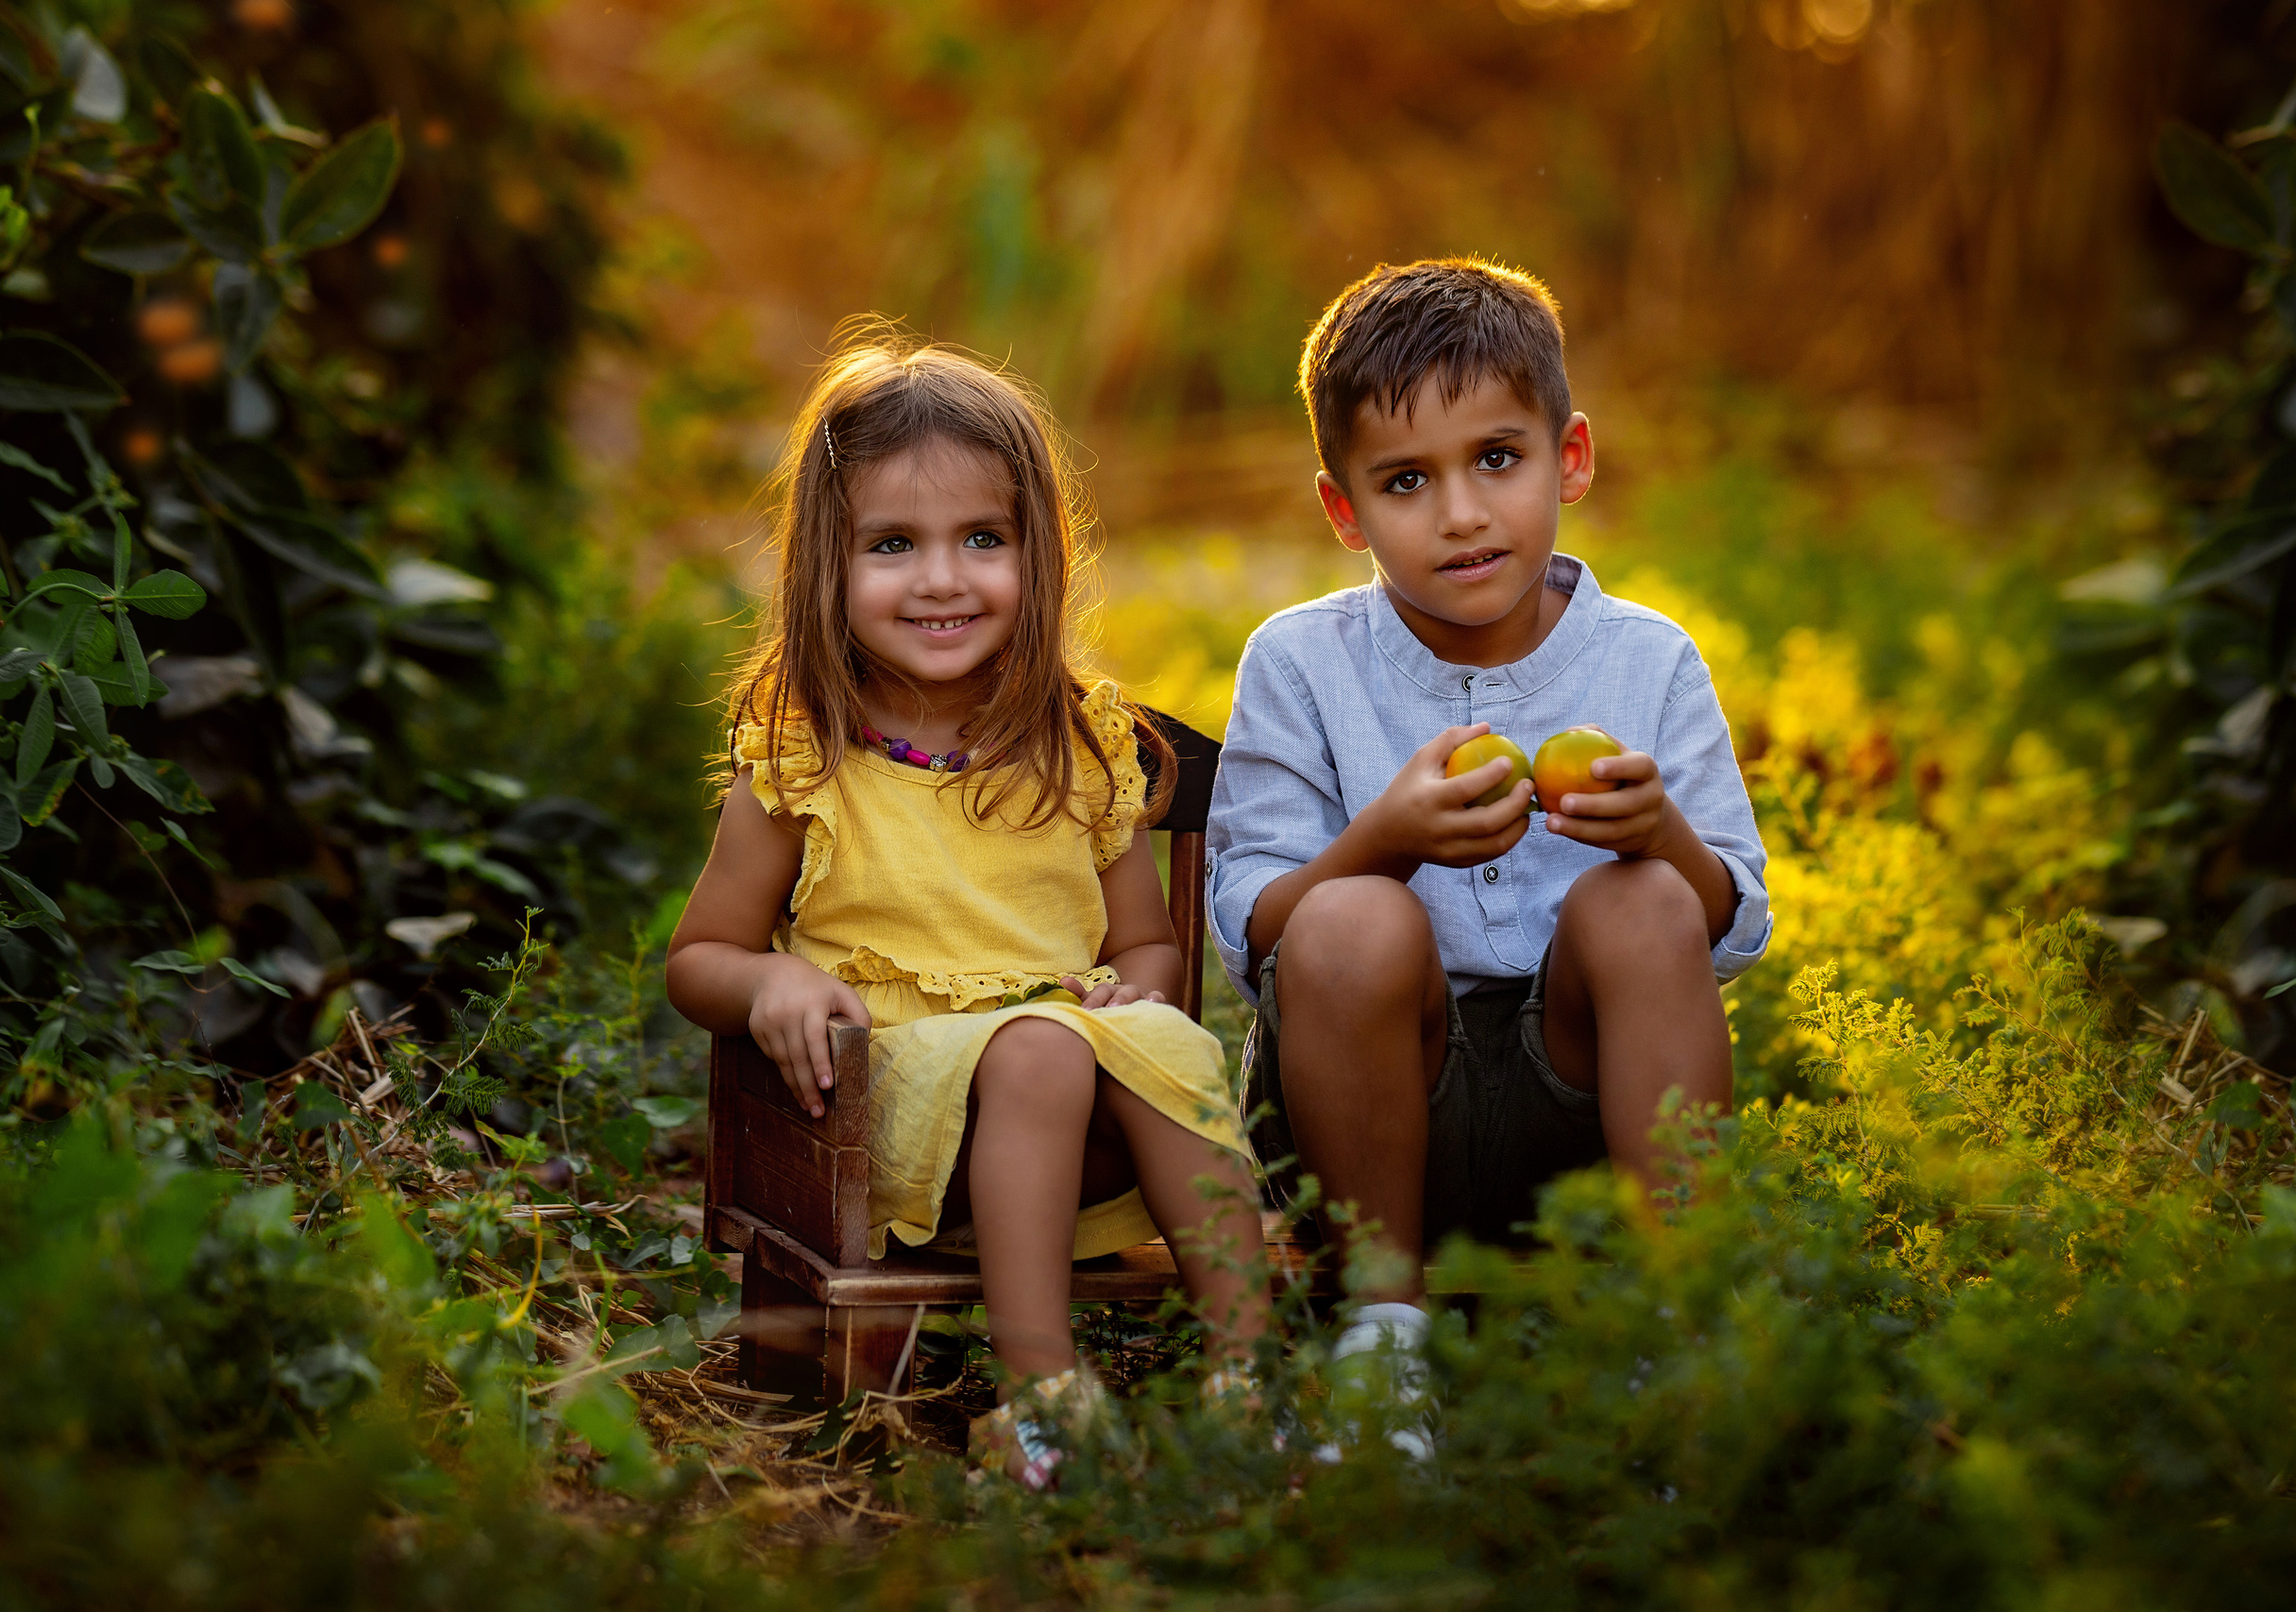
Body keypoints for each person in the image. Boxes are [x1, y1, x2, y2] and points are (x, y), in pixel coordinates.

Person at [667, 328, 1265, 1488]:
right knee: (1040, 1052)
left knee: (1156, 1041)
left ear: (1036, 555)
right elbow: (699, 957)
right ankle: (1045, 1394)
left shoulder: (1080, 749)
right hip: (884, 1119)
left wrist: (1130, 991)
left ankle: (1247, 1373)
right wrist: (773, 978)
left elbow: (1145, 940)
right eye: (894, 545)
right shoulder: (805, 761)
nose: (942, 579)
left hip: (1082, 1124)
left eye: (981, 539)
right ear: (823, 569)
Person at [1206, 260, 1772, 1428]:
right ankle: (1381, 1340)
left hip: (1582, 1107)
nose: (1461, 513)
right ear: (1343, 510)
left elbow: (1734, 920)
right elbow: (1251, 930)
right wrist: (1378, 843)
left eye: (1497, 461)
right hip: (1365, 1106)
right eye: (1407, 480)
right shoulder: (1301, 663)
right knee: (1350, 914)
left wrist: (1659, 832)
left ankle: (1676, 1325)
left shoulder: (1646, 657)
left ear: (1570, 457)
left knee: (1647, 901)